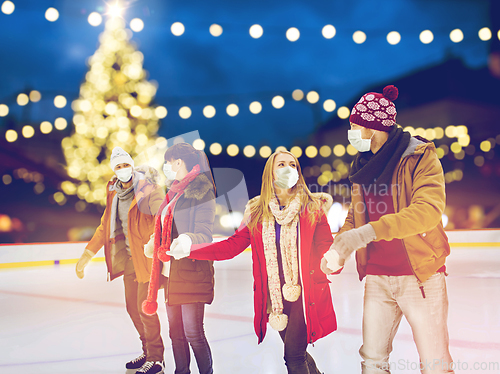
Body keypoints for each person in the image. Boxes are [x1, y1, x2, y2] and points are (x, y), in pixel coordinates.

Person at [168, 150, 343, 374]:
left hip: (304, 293)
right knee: (296, 351)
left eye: (293, 165)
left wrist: (332, 260)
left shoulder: (311, 208)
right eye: (281, 164)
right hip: (275, 296)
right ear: (270, 173)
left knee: (293, 356)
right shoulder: (258, 212)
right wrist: (191, 250)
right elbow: (231, 246)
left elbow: (325, 246)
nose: (288, 169)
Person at [322, 85, 454, 374]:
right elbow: (356, 220)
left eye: (355, 125)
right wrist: (338, 248)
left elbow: (427, 212)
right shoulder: (363, 167)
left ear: (374, 126)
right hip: (378, 278)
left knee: (435, 364)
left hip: (421, 278)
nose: (351, 131)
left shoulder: (420, 156)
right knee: (372, 361)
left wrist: (363, 234)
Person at [75, 147, 165, 374]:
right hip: (128, 261)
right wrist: (87, 254)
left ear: (132, 166)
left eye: (126, 165)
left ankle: (157, 359)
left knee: (145, 309)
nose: (123, 170)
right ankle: (147, 351)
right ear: (113, 170)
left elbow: (162, 217)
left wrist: (156, 240)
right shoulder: (114, 194)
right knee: (132, 309)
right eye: (118, 166)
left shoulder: (149, 190)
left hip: (146, 258)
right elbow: (104, 227)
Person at [142, 142, 216, 374]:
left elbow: (204, 232)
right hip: (170, 273)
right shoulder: (174, 192)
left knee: (193, 333)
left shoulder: (201, 190)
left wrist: (185, 240)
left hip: (192, 271)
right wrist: (155, 241)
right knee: (176, 334)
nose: (165, 167)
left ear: (178, 162)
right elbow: (165, 226)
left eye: (167, 162)